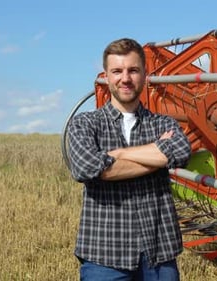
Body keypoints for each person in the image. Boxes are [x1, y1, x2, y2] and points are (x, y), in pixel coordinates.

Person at [68, 38, 192, 281]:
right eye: (117, 71)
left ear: (145, 74)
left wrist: (118, 155)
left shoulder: (163, 122)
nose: (125, 78)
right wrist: (157, 154)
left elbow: (180, 151)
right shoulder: (84, 123)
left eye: (133, 70)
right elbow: (87, 167)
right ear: (106, 76)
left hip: (159, 254)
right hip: (104, 257)